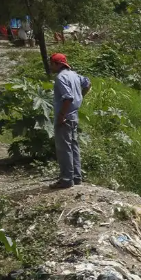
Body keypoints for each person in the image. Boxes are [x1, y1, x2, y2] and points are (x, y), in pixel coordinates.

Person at [49, 53, 91, 189]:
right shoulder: (74, 75)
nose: (51, 67)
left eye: (52, 64)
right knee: (73, 146)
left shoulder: (60, 78)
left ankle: (67, 179)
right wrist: (81, 95)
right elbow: (88, 83)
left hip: (65, 117)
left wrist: (61, 114)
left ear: (57, 64)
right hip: (74, 116)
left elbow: (68, 97)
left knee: (64, 149)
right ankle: (76, 177)